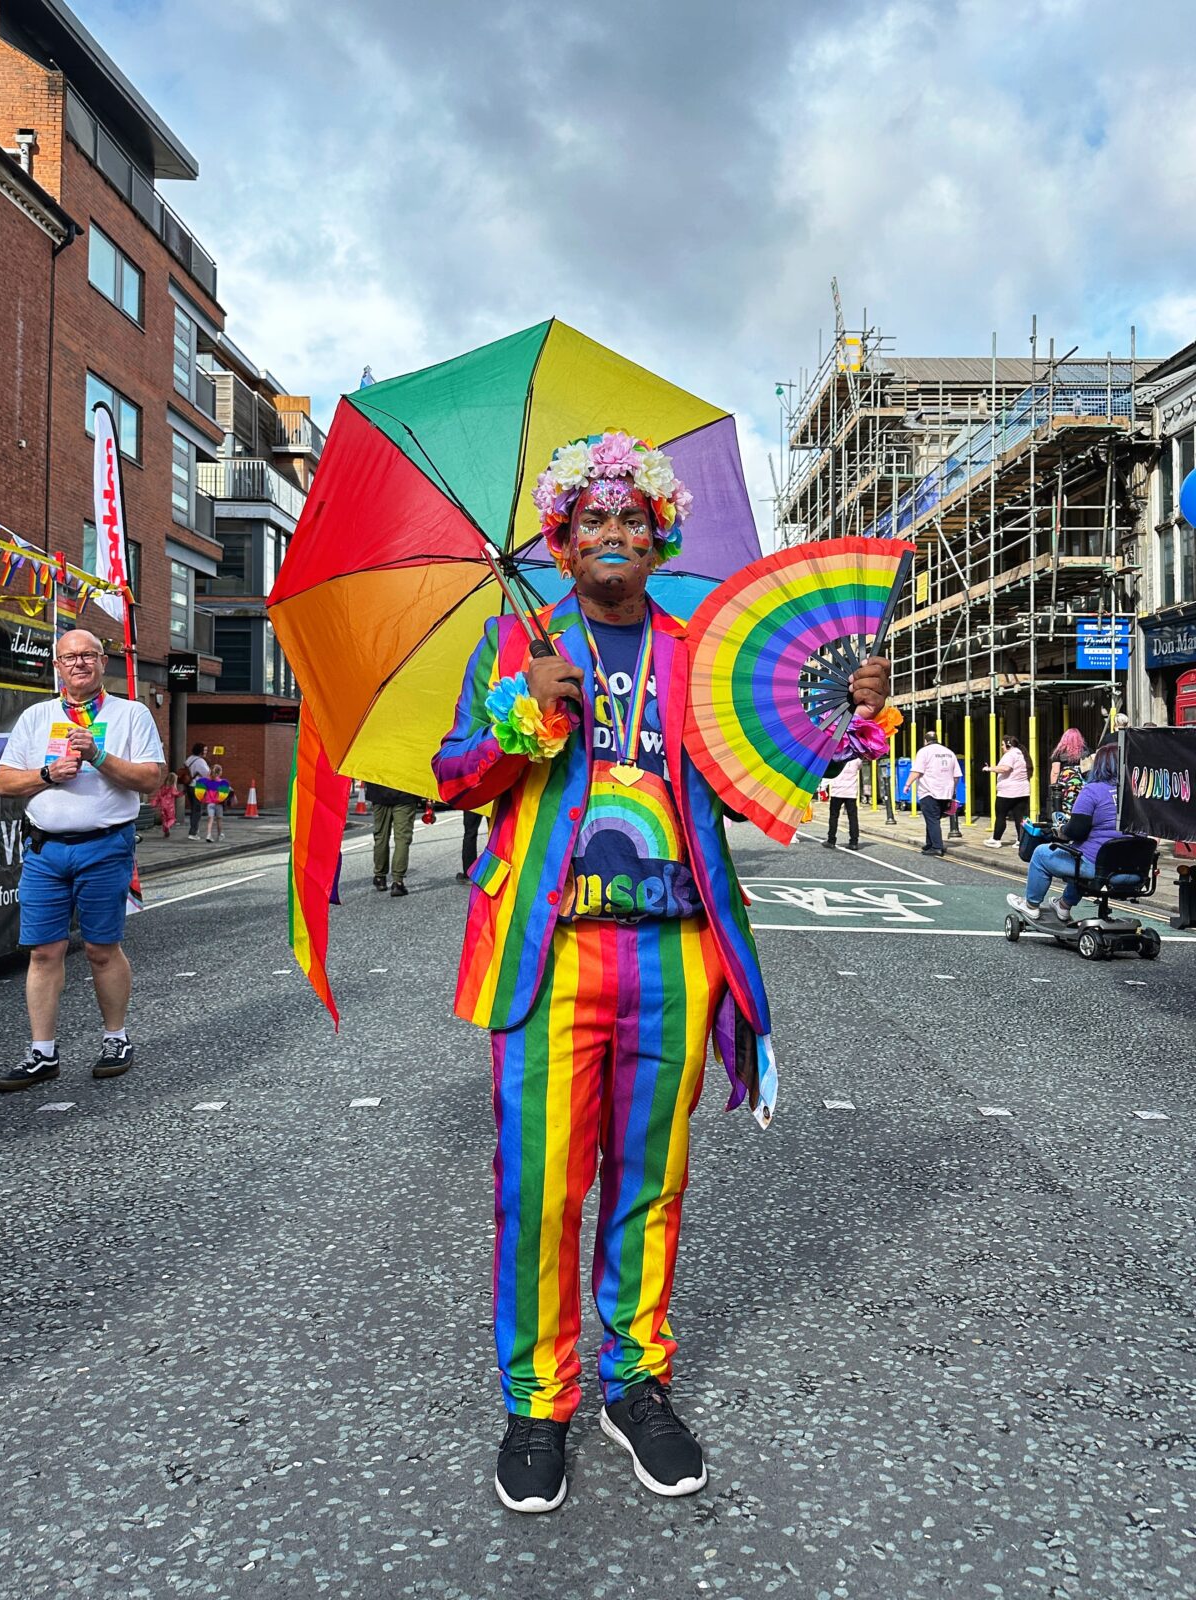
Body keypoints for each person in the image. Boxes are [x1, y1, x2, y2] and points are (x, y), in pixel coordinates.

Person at [433, 430, 889, 1514]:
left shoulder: (695, 655)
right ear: (560, 538)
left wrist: (845, 713)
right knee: (543, 1189)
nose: (613, 535)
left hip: (677, 949)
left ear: (659, 534)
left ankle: (634, 1380)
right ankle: (538, 1400)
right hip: (553, 953)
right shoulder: (514, 644)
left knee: (652, 1182)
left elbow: (751, 779)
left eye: (632, 520)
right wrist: (524, 708)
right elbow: (454, 778)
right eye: (591, 520)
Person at [0, 628, 164, 1091]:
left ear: (102, 662)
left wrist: (100, 755)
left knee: (100, 950)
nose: (78, 664)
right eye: (69, 658)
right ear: (57, 666)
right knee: (44, 952)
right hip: (45, 850)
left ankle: (115, 1038)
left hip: (105, 845)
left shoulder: (130, 714)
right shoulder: (36, 717)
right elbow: (4, 781)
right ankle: (42, 1053)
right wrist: (47, 774)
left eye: (88, 656)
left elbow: (152, 778)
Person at [1007, 742, 1131, 922]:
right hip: (1130, 870)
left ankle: (1031, 905)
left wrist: (1061, 830)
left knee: (1042, 853)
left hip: (1099, 866)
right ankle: (1064, 906)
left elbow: (1076, 830)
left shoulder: (1092, 791)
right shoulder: (1135, 793)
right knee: (1079, 853)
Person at [364, 780, 422, 897]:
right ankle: (397, 881)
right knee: (402, 839)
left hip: (379, 791)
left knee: (381, 836)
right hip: (406, 792)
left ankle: (380, 877)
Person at [907, 734, 961, 857]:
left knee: (932, 819)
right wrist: (953, 789)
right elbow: (956, 775)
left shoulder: (924, 751)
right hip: (946, 792)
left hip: (929, 791)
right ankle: (929, 843)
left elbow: (917, 771)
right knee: (932, 819)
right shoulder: (949, 752)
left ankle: (937, 847)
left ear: (926, 741)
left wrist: (907, 784)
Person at [983, 735, 1031, 847]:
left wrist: (989, 769)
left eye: (1003, 744)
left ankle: (996, 839)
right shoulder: (1021, 754)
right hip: (1022, 791)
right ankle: (1021, 840)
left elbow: (1006, 768)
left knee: (1000, 815)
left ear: (1008, 745)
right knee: (1020, 817)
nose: (1001, 747)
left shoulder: (1010, 754)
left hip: (1008, 792)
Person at [823, 755, 862, 850]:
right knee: (852, 817)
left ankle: (831, 840)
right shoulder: (857, 759)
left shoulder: (836, 758)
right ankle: (854, 842)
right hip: (851, 792)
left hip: (837, 791)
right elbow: (859, 767)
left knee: (834, 816)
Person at [1048, 728, 1088, 818]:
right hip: (1082, 784)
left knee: (1064, 808)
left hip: (1065, 785)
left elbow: (1055, 771)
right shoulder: (1085, 751)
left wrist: (1054, 790)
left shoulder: (1059, 752)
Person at [181, 741, 210, 839]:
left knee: (193, 809)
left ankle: (194, 829)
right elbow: (207, 774)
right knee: (197, 810)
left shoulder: (189, 759)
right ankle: (193, 833)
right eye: (205, 750)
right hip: (198, 787)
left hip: (189, 786)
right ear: (200, 751)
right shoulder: (200, 761)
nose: (206, 752)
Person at [204, 763, 235, 844]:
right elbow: (228, 791)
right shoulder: (222, 782)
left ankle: (208, 834)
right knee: (219, 820)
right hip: (218, 804)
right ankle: (219, 834)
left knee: (210, 819)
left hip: (210, 803)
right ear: (219, 772)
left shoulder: (208, 782)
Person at [457, 808, 485, 884]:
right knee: (496, 830)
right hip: (494, 797)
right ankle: (500, 872)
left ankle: (470, 875)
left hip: (473, 798)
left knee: (470, 833)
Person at [151, 771, 182, 838]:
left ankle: (166, 831)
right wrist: (182, 793)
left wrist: (154, 803)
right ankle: (168, 826)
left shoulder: (162, 787)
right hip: (170, 806)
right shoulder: (172, 788)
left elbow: (158, 796)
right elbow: (176, 794)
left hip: (162, 806)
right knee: (172, 819)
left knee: (164, 819)